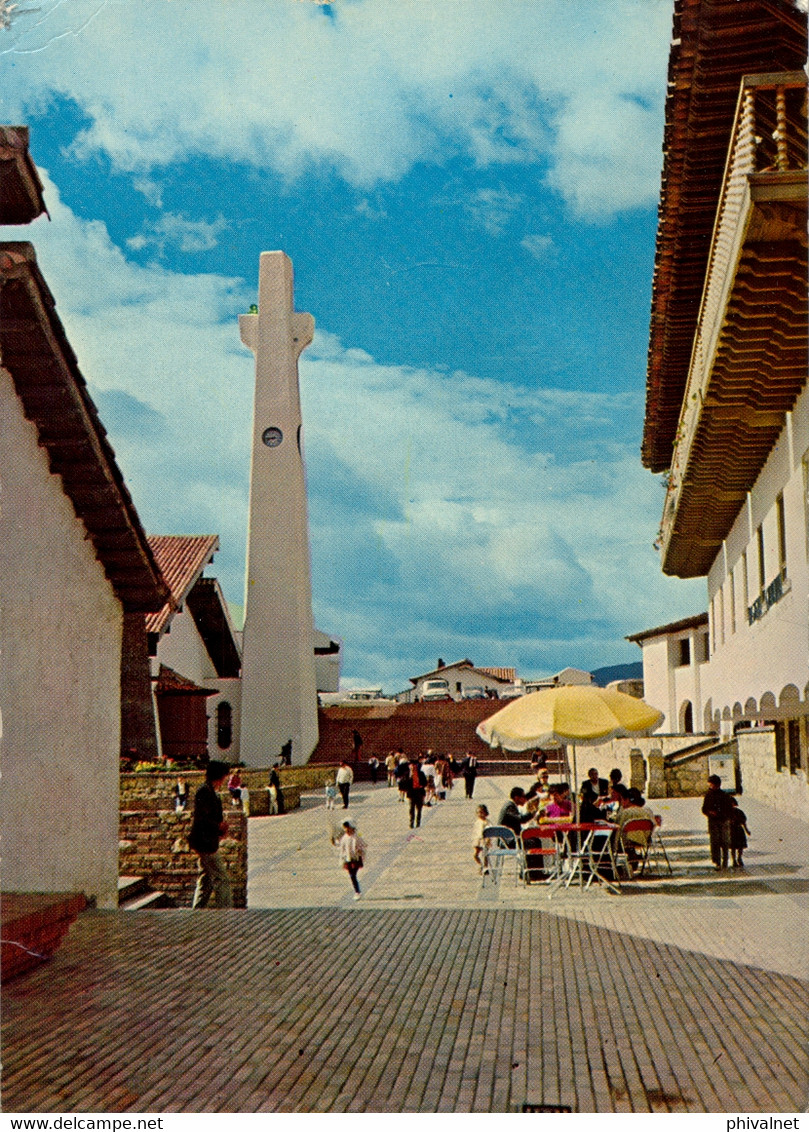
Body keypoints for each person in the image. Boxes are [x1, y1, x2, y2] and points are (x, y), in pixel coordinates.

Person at [188, 760, 233, 908]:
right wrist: (218, 826)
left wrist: (220, 828)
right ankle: (225, 913)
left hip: (208, 840)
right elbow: (202, 818)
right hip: (204, 842)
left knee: (206, 878)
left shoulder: (211, 791)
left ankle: (198, 912)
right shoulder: (204, 791)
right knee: (222, 878)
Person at [701, 774, 734, 870]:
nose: (710, 787)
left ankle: (725, 861)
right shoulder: (708, 795)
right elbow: (704, 809)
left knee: (725, 842)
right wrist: (710, 813)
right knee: (715, 842)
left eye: (711, 785)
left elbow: (729, 809)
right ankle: (716, 861)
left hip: (723, 821)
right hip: (713, 822)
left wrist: (725, 816)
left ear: (717, 785)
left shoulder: (725, 796)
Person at [334, 819, 366, 900]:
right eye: (345, 828)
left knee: (353, 874)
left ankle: (357, 891)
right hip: (348, 859)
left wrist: (360, 850)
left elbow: (363, 844)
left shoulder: (357, 836)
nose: (347, 830)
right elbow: (342, 848)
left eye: (348, 828)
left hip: (355, 858)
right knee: (352, 875)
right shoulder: (344, 838)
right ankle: (357, 891)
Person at [729, 797, 750, 868]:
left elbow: (744, 822)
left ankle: (739, 858)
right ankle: (734, 860)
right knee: (733, 847)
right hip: (731, 830)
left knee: (740, 846)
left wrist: (747, 830)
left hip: (739, 830)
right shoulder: (726, 813)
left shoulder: (739, 812)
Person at [406, 759, 427, 828]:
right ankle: (411, 822)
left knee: (419, 809)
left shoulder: (421, 773)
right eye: (411, 765)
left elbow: (425, 782)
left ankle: (418, 822)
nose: (413, 767)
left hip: (419, 792)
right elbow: (405, 784)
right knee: (411, 808)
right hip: (411, 793)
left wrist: (422, 785)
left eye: (414, 765)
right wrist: (410, 777)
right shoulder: (407, 774)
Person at [472, 804, 491, 874]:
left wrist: (488, 839)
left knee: (485, 854)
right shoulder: (477, 822)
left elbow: (490, 830)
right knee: (475, 855)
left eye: (481, 812)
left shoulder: (487, 822)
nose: (480, 814)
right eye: (478, 812)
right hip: (477, 840)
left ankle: (485, 867)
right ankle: (481, 865)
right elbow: (475, 831)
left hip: (484, 840)